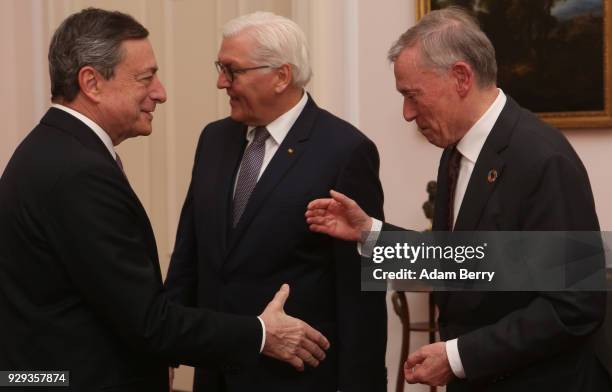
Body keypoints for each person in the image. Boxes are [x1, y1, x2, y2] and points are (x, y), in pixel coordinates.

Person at [0, 8, 329, 392]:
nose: (161, 91)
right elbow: (154, 310)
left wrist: (371, 235)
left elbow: (361, 283)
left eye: (411, 92)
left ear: (281, 76)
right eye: (145, 77)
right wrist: (258, 334)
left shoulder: (344, 149)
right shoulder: (79, 169)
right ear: (91, 82)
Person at [306, 7, 611, 391]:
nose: (406, 113)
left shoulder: (543, 159)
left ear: (461, 77)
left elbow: (576, 306)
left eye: (412, 95)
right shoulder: (456, 151)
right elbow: (464, 261)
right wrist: (371, 233)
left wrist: (457, 357)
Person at [164, 11, 387, 392]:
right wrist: (166, 346)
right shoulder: (214, 140)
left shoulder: (344, 150)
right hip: (216, 371)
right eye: (221, 68)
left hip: (294, 380)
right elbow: (189, 253)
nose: (221, 83)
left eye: (232, 71)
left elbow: (361, 296)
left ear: (281, 76)